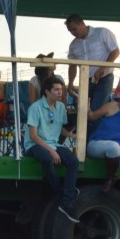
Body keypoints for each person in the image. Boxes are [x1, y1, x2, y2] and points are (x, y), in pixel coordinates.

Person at [26, 76, 80, 222]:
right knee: (47, 158)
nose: (60, 93)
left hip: (54, 144)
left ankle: (67, 202)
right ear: (47, 92)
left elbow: (59, 128)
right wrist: (51, 150)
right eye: (56, 90)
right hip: (35, 145)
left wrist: (69, 134)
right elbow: (33, 136)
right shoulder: (35, 108)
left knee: (73, 162)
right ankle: (58, 190)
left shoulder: (61, 107)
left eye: (61, 90)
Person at [65, 14, 119, 116]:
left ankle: (93, 131)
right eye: (70, 31)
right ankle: (85, 132)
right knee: (82, 109)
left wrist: (103, 67)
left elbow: (115, 51)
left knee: (96, 110)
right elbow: (72, 65)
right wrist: (71, 83)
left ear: (82, 24)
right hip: (85, 80)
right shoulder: (73, 45)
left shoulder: (102, 33)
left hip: (104, 78)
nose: (73, 33)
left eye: (74, 29)